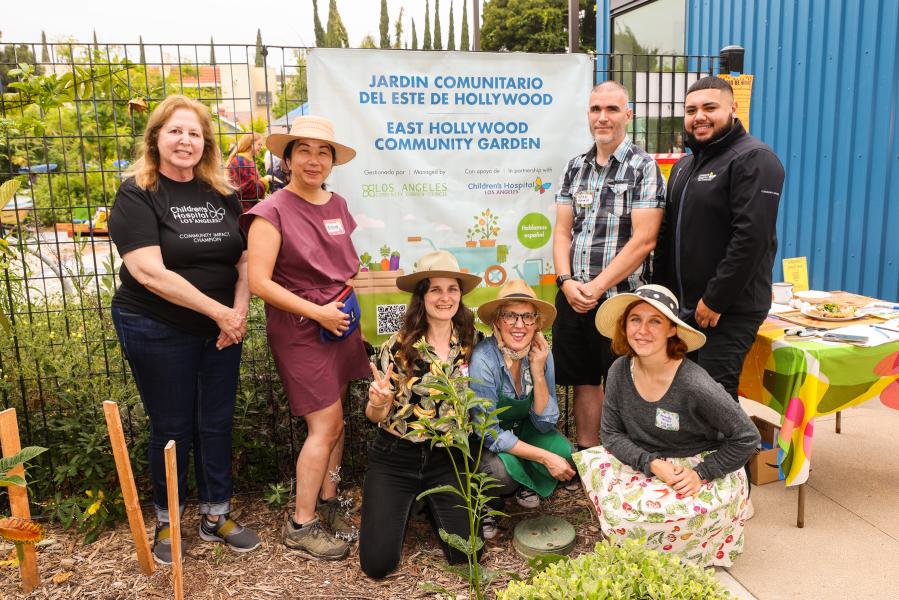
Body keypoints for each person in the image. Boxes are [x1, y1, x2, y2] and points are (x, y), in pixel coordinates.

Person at [108, 94, 260, 564]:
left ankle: (216, 515)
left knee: (215, 420)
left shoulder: (222, 194)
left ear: (206, 143)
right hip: (156, 325)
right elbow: (148, 271)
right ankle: (168, 519)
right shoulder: (137, 192)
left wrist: (237, 314)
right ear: (155, 137)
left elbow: (246, 258)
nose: (185, 140)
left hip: (221, 329)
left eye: (194, 133)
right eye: (175, 130)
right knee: (172, 425)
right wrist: (220, 314)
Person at [242, 116, 369, 560]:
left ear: (332, 161)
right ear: (287, 157)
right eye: (304, 150)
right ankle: (301, 522)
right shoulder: (271, 211)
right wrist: (317, 311)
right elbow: (259, 282)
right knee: (324, 424)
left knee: (339, 422)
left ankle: (329, 502)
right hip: (301, 327)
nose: (313, 160)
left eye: (323, 152)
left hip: (340, 320)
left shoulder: (338, 205)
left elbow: (345, 268)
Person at [575, 284, 759, 567]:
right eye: (635, 319)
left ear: (672, 329)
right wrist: (652, 464)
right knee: (617, 502)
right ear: (624, 326)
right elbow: (610, 434)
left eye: (655, 321)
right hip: (646, 459)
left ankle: (689, 547)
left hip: (696, 463)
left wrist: (702, 474)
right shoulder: (618, 371)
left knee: (668, 515)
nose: (642, 330)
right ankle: (658, 551)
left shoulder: (694, 383)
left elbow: (747, 436)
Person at [653, 76, 785, 400]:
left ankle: (731, 451)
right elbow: (668, 235)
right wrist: (662, 296)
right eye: (691, 109)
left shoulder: (754, 159)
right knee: (689, 394)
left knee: (714, 398)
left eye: (710, 107)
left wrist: (715, 299)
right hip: (686, 309)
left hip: (727, 309)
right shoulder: (685, 165)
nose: (699, 116)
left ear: (733, 108)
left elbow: (751, 237)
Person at [552, 80, 666, 450]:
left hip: (620, 300)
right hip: (573, 296)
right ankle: (590, 457)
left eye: (612, 109)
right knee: (585, 379)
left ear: (627, 115)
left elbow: (644, 240)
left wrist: (597, 288)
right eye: (595, 109)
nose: (602, 117)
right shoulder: (575, 167)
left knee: (626, 381)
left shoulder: (643, 167)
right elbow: (562, 233)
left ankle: (629, 463)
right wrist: (566, 281)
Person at [360, 250, 482, 579]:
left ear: (461, 295)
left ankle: (427, 504)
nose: (445, 297)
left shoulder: (474, 343)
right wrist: (379, 402)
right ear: (421, 297)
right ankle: (409, 500)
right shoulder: (396, 347)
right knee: (377, 565)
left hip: (448, 458)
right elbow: (375, 416)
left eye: (452, 289)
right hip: (396, 457)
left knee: (468, 555)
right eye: (435, 289)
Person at [469, 279, 576, 540]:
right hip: (486, 441)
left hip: (524, 428)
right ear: (497, 322)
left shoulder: (541, 353)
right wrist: (544, 457)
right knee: (500, 474)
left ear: (537, 324)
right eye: (510, 316)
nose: (520, 325)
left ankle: (523, 482)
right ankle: (487, 503)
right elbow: (489, 433)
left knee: (566, 452)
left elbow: (545, 423)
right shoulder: (483, 359)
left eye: (528, 317)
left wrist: (538, 372)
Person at [227, 132, 271, 212]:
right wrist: (265, 180)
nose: (261, 148)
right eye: (259, 144)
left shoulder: (243, 160)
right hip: (244, 210)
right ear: (251, 144)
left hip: (244, 208)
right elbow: (252, 191)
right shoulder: (242, 162)